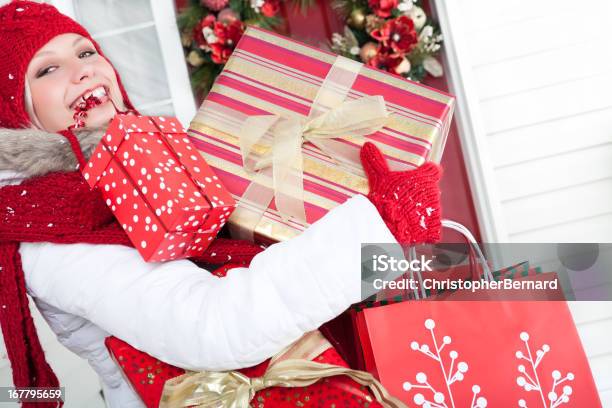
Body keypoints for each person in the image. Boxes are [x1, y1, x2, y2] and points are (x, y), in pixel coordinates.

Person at [0, 2, 442, 407]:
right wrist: (376, 228)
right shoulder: (52, 232)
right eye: (46, 70)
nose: (82, 71)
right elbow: (211, 329)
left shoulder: (147, 160)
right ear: (12, 111)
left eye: (85, 52)